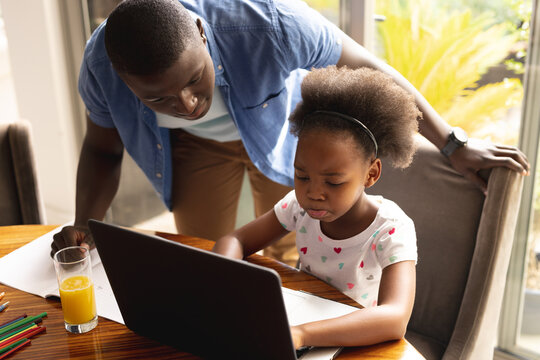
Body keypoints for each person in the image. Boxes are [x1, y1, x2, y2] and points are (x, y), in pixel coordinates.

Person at [51, 0, 529, 264]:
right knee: (204, 255)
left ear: (201, 32)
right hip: (190, 152)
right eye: (159, 99)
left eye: (195, 81)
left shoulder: (269, 23)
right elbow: (101, 150)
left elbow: (372, 69)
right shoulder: (100, 66)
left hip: (279, 129)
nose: (188, 104)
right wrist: (83, 224)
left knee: (291, 247)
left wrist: (452, 143)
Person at [213, 65, 419, 348]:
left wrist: (301, 335)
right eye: (302, 176)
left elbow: (395, 318)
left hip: (357, 340)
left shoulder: (392, 229)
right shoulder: (298, 206)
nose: (313, 193)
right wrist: (221, 279)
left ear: (371, 174)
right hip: (301, 320)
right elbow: (235, 239)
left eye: (333, 182)